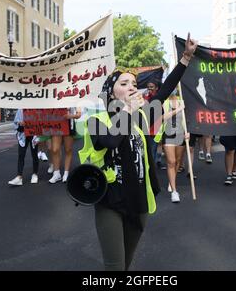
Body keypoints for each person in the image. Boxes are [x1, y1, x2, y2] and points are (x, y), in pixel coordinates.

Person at [79, 34, 198, 270]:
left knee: (126, 264)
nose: (132, 87)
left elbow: (164, 91)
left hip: (138, 200)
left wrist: (185, 58)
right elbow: (110, 141)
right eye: (124, 84)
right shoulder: (96, 120)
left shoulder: (141, 117)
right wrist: (127, 111)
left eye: (134, 84)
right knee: (114, 267)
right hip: (111, 200)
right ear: (111, 93)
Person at [158, 91, 187, 203]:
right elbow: (163, 117)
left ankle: (172, 181)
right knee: (171, 161)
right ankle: (174, 191)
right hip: (169, 133)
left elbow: (186, 118)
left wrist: (187, 131)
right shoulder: (165, 101)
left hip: (180, 133)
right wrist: (178, 109)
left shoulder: (182, 99)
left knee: (178, 161)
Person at [48, 107, 82, 183]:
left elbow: (79, 114)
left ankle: (66, 173)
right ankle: (56, 173)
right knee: (55, 149)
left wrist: (70, 116)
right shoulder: (54, 97)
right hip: (56, 124)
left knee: (68, 149)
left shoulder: (73, 98)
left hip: (69, 125)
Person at [8, 109, 40, 186]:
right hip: (23, 134)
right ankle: (19, 177)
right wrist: (20, 123)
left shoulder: (36, 108)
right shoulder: (20, 109)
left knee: (34, 154)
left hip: (33, 133)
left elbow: (40, 121)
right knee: (21, 155)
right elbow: (16, 122)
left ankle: (35, 174)